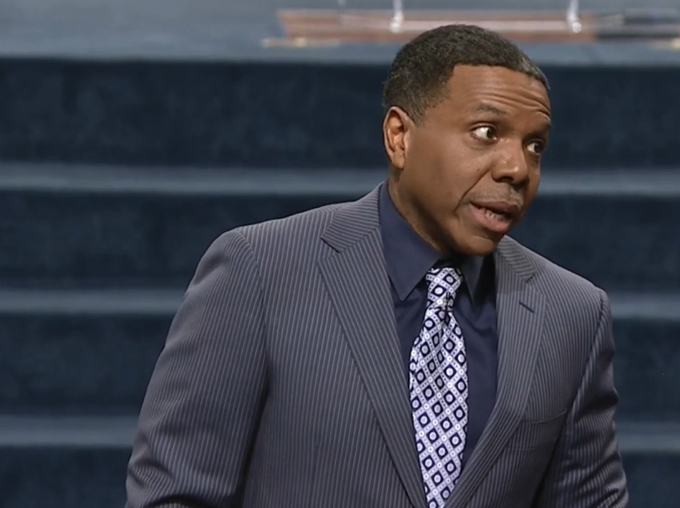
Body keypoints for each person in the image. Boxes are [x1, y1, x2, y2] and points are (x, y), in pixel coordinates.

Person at [126, 24, 628, 508]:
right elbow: (174, 493)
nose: (516, 168)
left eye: (535, 145)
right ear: (399, 137)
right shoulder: (260, 271)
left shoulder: (572, 313)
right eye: (486, 132)